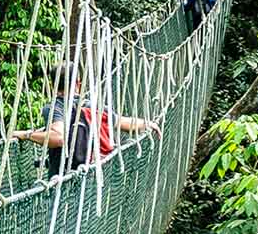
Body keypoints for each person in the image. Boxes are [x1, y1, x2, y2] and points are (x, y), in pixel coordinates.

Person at [12, 64, 159, 175]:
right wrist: (148, 123)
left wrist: (26, 135)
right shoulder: (93, 106)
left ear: (52, 84)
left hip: (63, 178)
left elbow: (58, 138)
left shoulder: (54, 108)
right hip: (92, 173)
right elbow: (123, 122)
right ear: (78, 83)